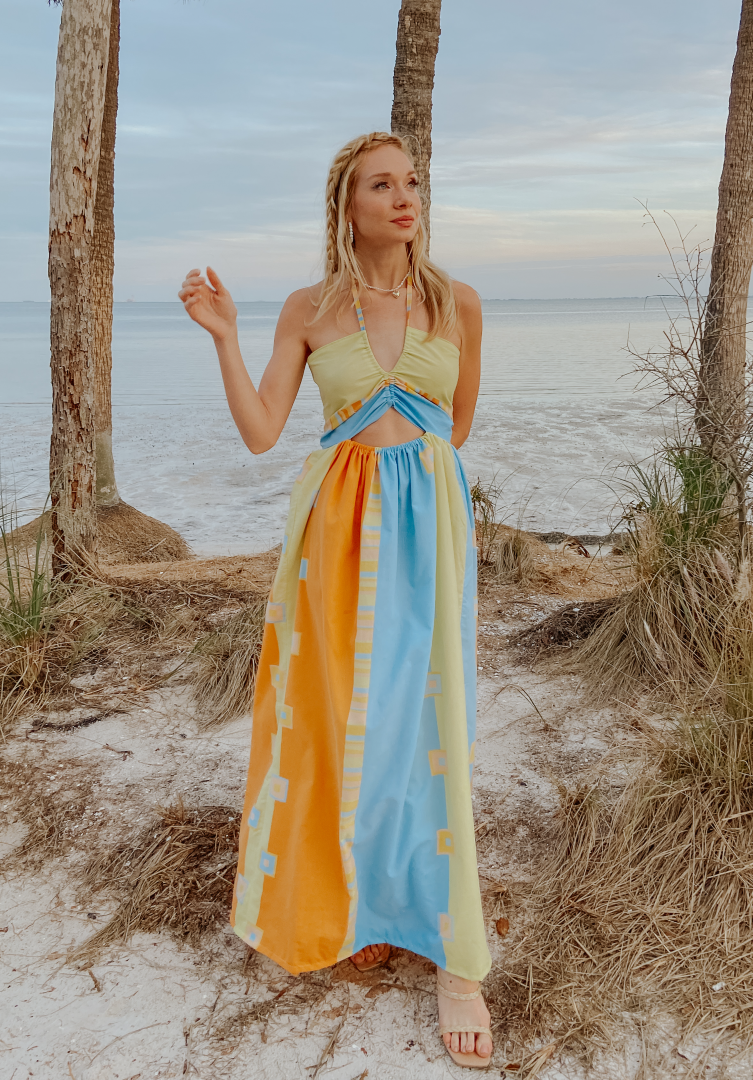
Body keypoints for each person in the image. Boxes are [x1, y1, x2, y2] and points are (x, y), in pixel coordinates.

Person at [178, 131, 495, 1070]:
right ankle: (355, 905)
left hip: (428, 532)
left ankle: (456, 962)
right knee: (337, 717)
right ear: (346, 206)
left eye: (412, 182)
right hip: (335, 537)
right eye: (381, 184)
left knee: (432, 724)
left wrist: (414, 490)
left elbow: (456, 428)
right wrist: (227, 339)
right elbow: (261, 431)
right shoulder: (309, 309)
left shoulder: (459, 303)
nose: (405, 197)